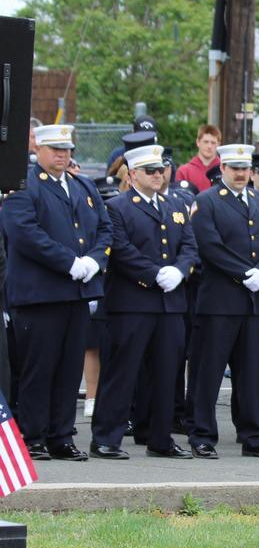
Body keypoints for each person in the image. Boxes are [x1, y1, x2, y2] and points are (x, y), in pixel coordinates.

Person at [3, 124, 112, 461]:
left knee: (68, 370)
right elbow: (25, 234)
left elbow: (105, 228)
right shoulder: (24, 185)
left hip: (77, 293)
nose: (63, 156)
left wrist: (94, 261)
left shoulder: (82, 185)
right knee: (39, 369)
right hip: (41, 294)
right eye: (56, 149)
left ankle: (61, 436)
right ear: (39, 150)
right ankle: (33, 436)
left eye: (67, 150)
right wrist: (69, 262)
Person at [90, 143, 198, 460]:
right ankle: (106, 438)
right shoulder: (119, 206)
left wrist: (179, 271)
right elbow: (121, 250)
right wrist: (154, 274)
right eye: (150, 170)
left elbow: (190, 246)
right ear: (133, 173)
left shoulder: (175, 205)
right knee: (122, 373)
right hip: (133, 303)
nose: (158, 175)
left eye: (161, 169)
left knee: (167, 375)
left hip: (170, 305)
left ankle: (159, 437)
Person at [187, 144, 259, 459]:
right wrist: (246, 274)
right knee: (209, 372)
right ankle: (202, 434)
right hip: (220, 303)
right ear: (223, 168)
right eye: (234, 168)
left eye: (245, 168)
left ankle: (253, 436)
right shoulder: (207, 201)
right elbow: (210, 247)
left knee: (250, 374)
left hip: (255, 302)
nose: (241, 174)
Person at [176, 124, 222, 193]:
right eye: (206, 142)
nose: (209, 146)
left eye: (213, 143)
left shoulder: (225, 170)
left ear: (218, 144)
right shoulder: (184, 172)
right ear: (198, 142)